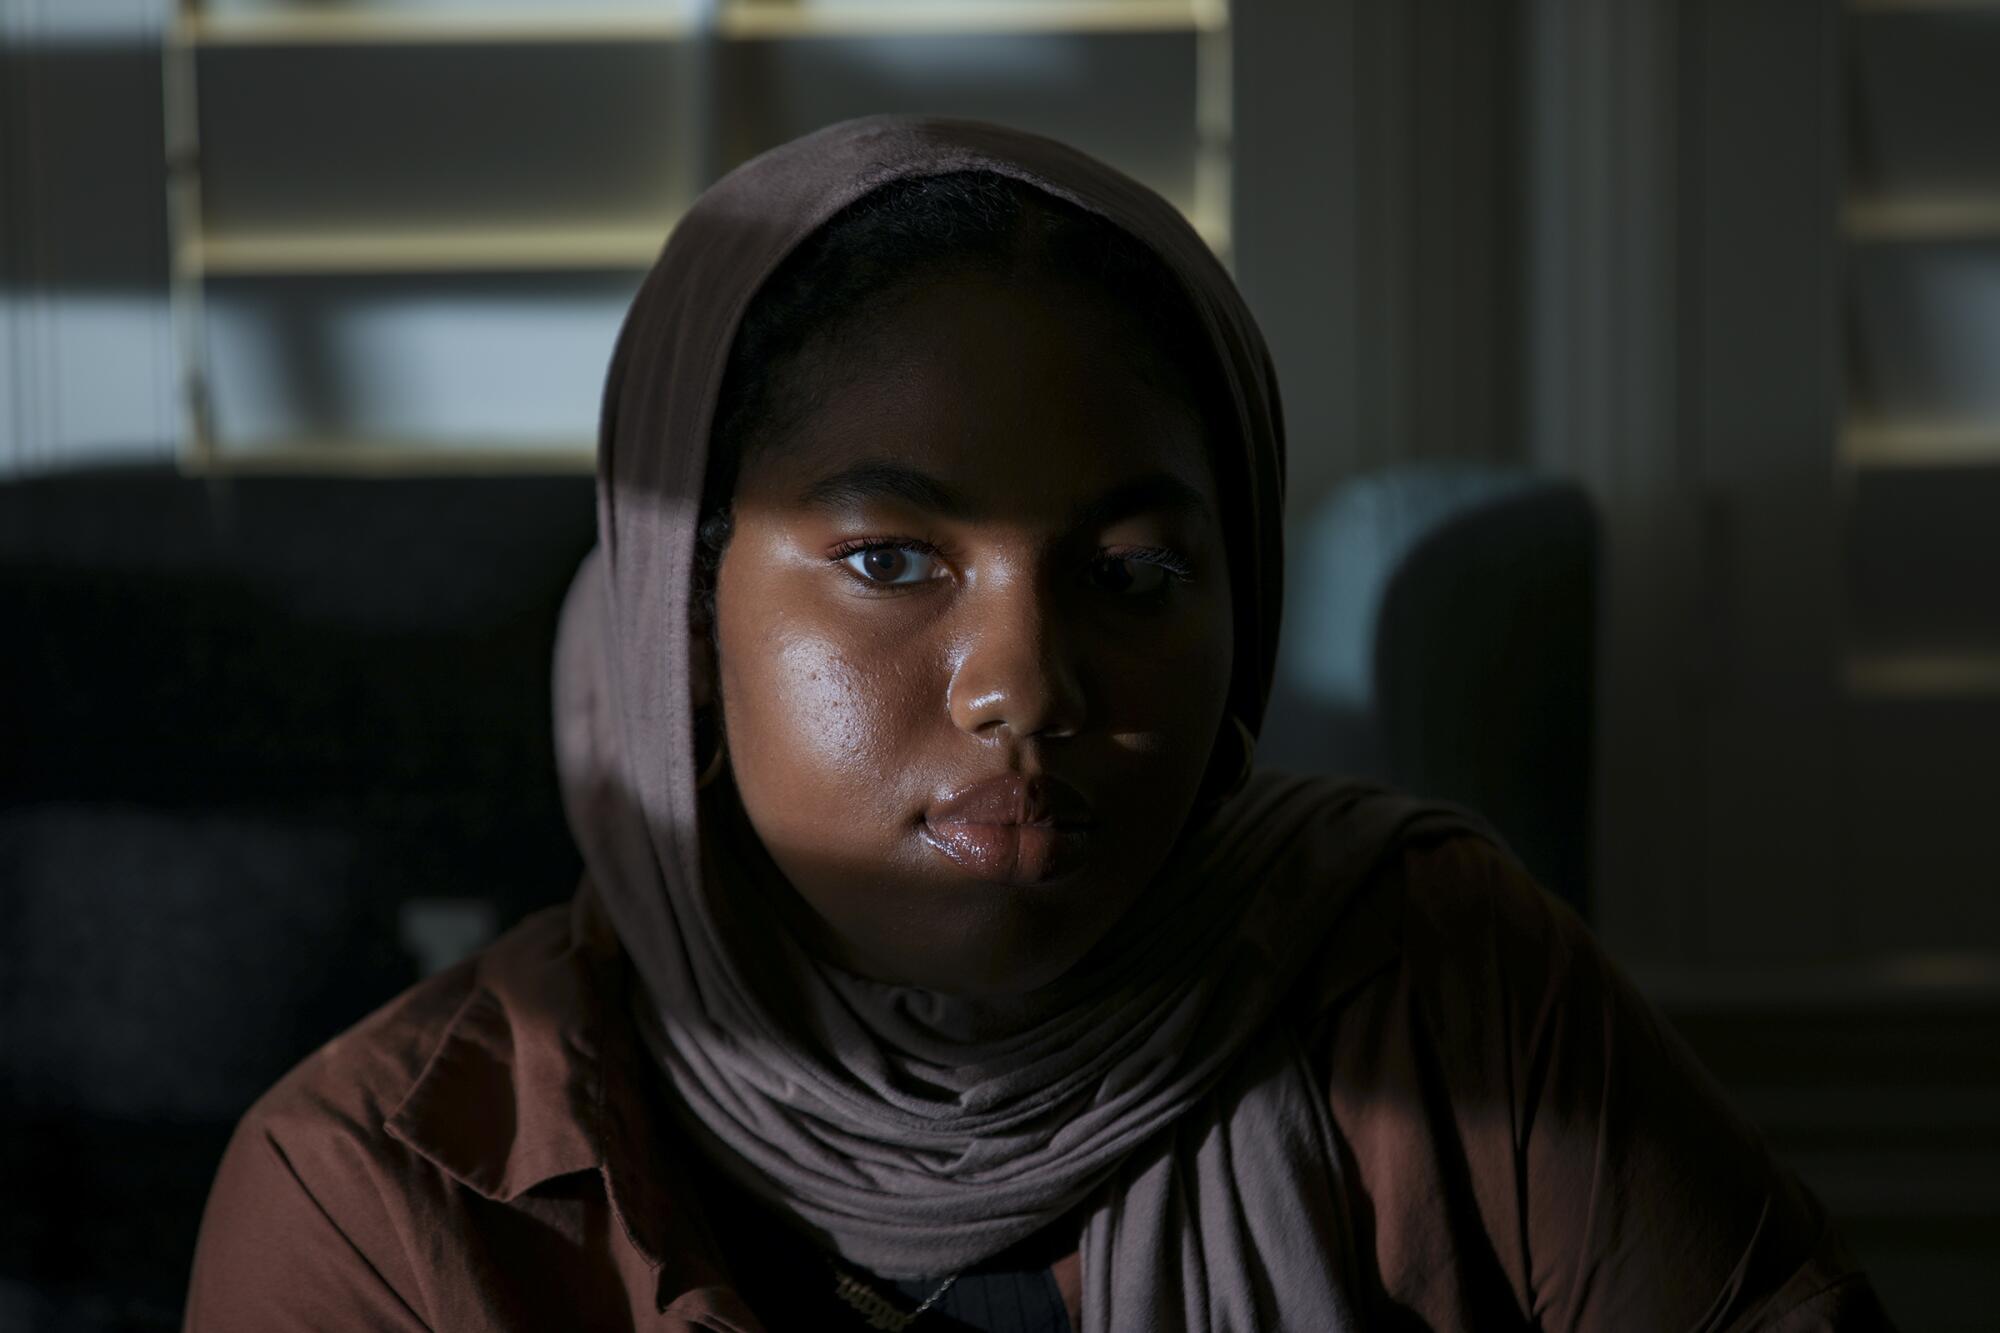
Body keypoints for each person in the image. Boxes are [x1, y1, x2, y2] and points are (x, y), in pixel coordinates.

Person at [183, 115, 1893, 1332]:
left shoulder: (1425, 976)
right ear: (679, 623)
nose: (1030, 681)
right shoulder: (392, 1193)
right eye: (889, 557)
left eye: (1138, 572)